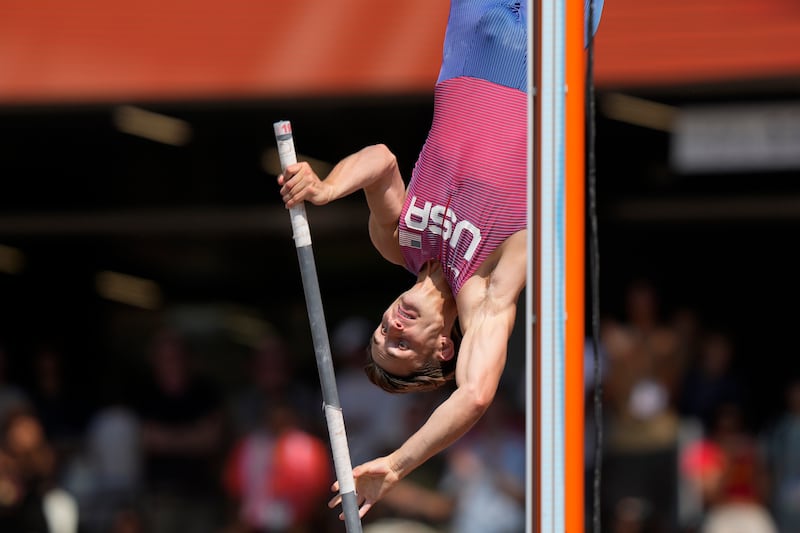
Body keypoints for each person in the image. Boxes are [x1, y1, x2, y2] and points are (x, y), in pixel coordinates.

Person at [278, 0, 527, 519]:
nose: (391, 327)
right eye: (401, 345)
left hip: (466, 50)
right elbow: (476, 394)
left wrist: (325, 188)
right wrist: (395, 465)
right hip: (534, 69)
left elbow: (381, 161)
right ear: (442, 348)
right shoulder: (482, 290)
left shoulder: (400, 243)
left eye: (380, 334)